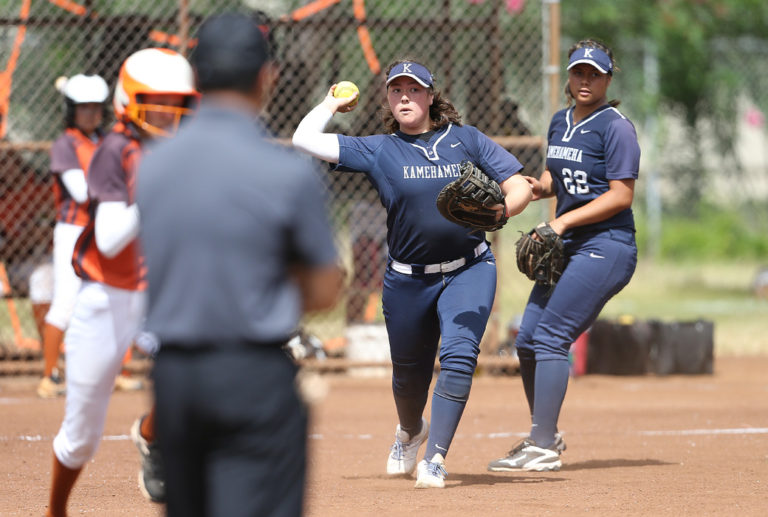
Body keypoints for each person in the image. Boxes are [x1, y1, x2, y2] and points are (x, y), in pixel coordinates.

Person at [136, 13, 342, 517]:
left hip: (176, 379)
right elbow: (323, 290)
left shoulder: (153, 167)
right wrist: (262, 281)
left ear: (197, 76)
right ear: (265, 77)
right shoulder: (286, 172)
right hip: (254, 375)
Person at [292, 58, 532, 488]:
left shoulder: (466, 140)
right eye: (396, 90)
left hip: (469, 267)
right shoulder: (379, 149)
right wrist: (331, 102)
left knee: (459, 356)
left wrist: (502, 209)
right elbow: (303, 139)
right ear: (387, 98)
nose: (405, 96)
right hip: (407, 279)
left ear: (430, 96)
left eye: (414, 89)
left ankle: (435, 458)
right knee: (408, 377)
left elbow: (520, 185)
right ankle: (410, 430)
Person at [45, 48, 198, 517]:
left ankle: (151, 434)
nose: (168, 118)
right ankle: (56, 510)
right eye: (157, 105)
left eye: (178, 106)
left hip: (160, 289)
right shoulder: (116, 148)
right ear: (128, 104)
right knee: (81, 438)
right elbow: (110, 240)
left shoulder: (179, 150)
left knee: (198, 380)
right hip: (107, 296)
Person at [487, 39, 641, 472]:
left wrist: (562, 222)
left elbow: (621, 196)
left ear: (609, 78)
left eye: (594, 73)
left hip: (607, 245)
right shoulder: (560, 121)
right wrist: (538, 187)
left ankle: (541, 447)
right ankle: (546, 435)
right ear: (568, 78)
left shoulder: (616, 127)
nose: (585, 80)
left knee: (553, 335)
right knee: (528, 339)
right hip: (570, 244)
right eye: (578, 73)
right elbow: (557, 174)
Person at [35, 74, 107, 398]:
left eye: (96, 108)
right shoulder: (66, 144)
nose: (91, 114)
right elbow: (81, 192)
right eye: (84, 108)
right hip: (74, 230)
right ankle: (50, 375)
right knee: (65, 302)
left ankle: (112, 372)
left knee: (109, 300)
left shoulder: (105, 141)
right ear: (71, 111)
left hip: (105, 228)